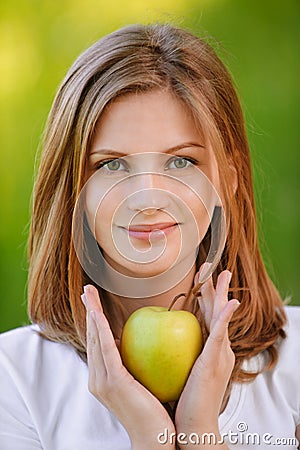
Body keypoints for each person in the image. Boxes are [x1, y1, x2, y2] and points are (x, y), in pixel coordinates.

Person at [0, 23, 299, 450]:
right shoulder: (13, 381)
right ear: (73, 193)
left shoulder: (294, 367)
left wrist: (200, 432)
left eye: (181, 162)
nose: (147, 198)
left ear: (228, 180)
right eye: (112, 165)